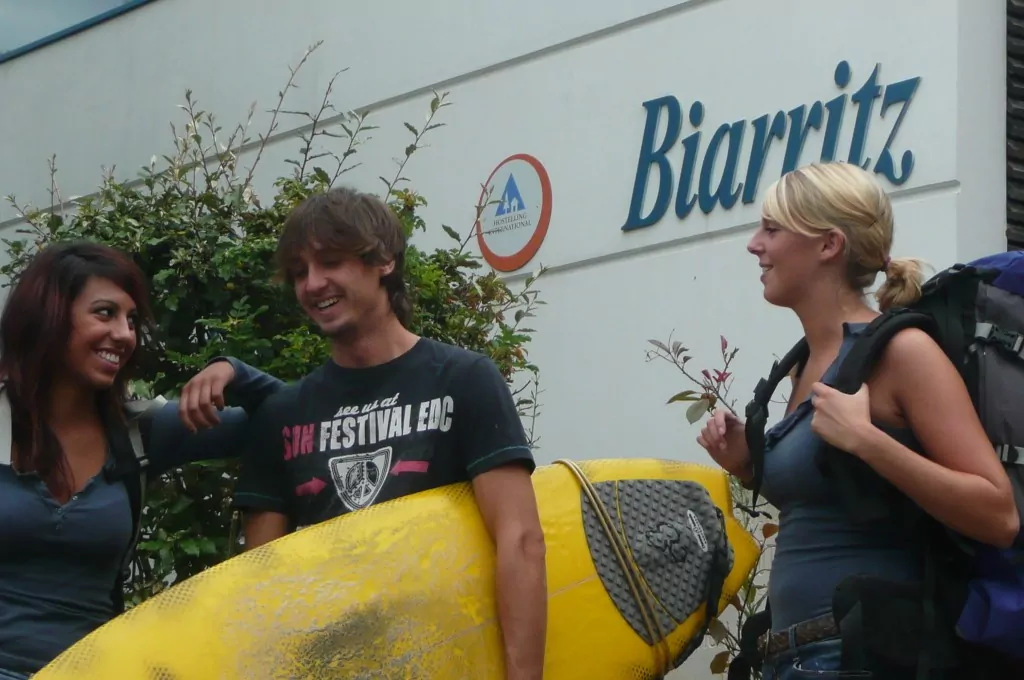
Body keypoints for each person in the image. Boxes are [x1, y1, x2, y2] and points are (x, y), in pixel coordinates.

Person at [189, 186, 548, 679]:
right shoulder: (283, 414)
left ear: (383, 260)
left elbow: (520, 539)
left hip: (454, 659)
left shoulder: (463, 380)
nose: (313, 284)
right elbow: (264, 586)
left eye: (330, 262)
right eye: (298, 273)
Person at [696, 161, 1019, 679]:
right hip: (789, 655)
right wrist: (747, 468)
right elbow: (843, 503)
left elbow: (998, 514)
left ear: (829, 245)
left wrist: (869, 440)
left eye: (772, 229)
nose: (754, 244)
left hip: (861, 656)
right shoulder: (803, 364)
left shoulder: (903, 352)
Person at [0, 241, 283, 679]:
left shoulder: (141, 432)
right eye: (104, 313)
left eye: (131, 320)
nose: (125, 334)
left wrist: (232, 370)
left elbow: (291, 417)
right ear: (50, 316)